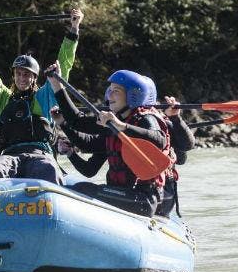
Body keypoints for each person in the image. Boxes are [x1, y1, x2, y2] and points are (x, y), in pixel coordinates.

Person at [0, 8, 83, 183]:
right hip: (10, 155)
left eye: (26, 74)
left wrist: (74, 28)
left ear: (34, 77)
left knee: (48, 168)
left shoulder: (44, 96)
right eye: (18, 74)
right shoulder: (2, 98)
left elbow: (64, 65)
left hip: (40, 154)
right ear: (14, 75)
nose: (22, 78)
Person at [47, 63, 175, 217]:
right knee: (79, 188)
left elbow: (159, 139)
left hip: (142, 199)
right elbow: (78, 122)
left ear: (132, 95)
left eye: (116, 91)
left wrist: (122, 126)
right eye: (110, 90)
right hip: (124, 194)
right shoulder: (114, 121)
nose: (110, 95)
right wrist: (57, 86)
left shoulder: (145, 119)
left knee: (81, 190)